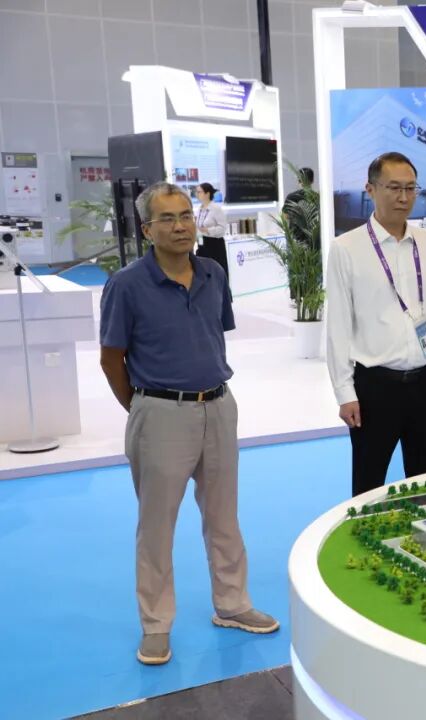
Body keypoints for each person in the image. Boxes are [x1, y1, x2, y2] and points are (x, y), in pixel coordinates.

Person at [99, 182, 278, 666]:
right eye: (167, 219)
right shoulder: (126, 285)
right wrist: (143, 408)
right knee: (157, 527)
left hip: (218, 406)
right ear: (146, 229)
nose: (180, 226)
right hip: (160, 413)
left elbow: (213, 334)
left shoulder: (213, 273)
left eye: (185, 215)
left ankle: (233, 603)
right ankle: (156, 625)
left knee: (224, 517)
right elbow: (111, 359)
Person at [325, 152, 426, 497]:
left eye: (411, 188)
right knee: (368, 488)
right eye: (394, 188)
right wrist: (344, 393)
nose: (403, 197)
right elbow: (337, 326)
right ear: (370, 189)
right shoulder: (346, 248)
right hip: (374, 388)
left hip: (425, 384)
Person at [194, 183, 229, 278]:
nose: (197, 194)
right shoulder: (199, 209)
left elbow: (222, 228)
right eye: (196, 192)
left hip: (214, 245)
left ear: (207, 194)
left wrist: (207, 230)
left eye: (199, 192)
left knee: (216, 273)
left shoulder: (215, 208)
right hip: (202, 244)